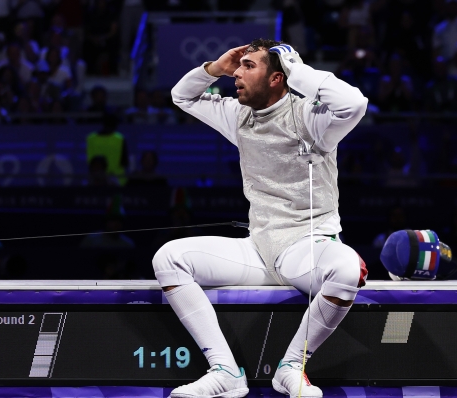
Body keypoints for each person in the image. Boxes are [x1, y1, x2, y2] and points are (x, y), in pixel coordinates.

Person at [153, 39, 368, 398]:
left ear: (276, 78)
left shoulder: (311, 118)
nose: (236, 73)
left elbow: (355, 104)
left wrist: (297, 70)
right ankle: (224, 370)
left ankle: (291, 368)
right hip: (260, 249)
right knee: (169, 258)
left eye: (248, 66)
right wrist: (214, 69)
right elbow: (183, 96)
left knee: (347, 269)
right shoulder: (238, 115)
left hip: (306, 249)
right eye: (237, 67)